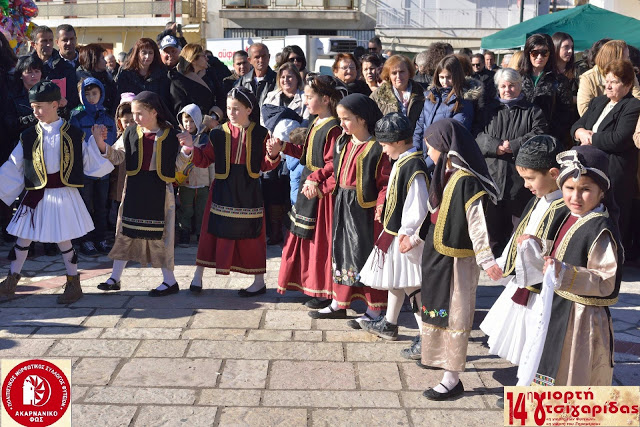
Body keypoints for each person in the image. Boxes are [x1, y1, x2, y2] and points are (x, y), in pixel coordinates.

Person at [0, 81, 114, 303]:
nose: (36, 112)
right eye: (33, 107)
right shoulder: (28, 136)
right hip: (35, 193)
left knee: (64, 240)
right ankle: (11, 280)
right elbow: (14, 165)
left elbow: (90, 162)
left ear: (55, 104)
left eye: (40, 107)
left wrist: (100, 144)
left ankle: (73, 283)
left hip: (62, 194)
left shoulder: (73, 133)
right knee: (23, 238)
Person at [416, 119, 502, 400]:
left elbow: (476, 222)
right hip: (438, 257)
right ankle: (441, 362)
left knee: (456, 314)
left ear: (443, 146)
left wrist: (486, 259)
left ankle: (452, 379)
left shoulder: (466, 181)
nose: (428, 153)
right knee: (438, 310)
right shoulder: (449, 175)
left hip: (458, 260)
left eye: (431, 147)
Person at [535, 145, 622, 386]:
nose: (575, 197)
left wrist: (565, 272)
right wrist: (536, 246)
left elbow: (605, 281)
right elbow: (557, 249)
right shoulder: (566, 214)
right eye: (569, 188)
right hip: (558, 306)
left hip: (582, 318)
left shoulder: (600, 230)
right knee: (550, 362)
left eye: (585, 190)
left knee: (573, 369)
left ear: (602, 192)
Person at [479, 135, 565, 370]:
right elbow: (522, 231)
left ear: (553, 173)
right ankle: (526, 378)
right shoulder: (538, 199)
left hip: (544, 287)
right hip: (526, 281)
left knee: (541, 336)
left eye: (530, 178)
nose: (526, 184)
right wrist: (502, 261)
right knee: (526, 334)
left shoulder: (565, 208)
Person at [184, 87, 279, 296]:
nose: (231, 113)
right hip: (222, 189)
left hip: (249, 190)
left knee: (252, 235)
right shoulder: (218, 133)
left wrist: (272, 155)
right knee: (211, 232)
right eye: (229, 108)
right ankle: (197, 276)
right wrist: (191, 148)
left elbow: (265, 165)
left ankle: (259, 281)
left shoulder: (261, 133)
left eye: (236, 109)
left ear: (248, 109)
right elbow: (204, 158)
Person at [308, 94, 390, 329]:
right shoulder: (343, 142)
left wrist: (381, 205)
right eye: (340, 118)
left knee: (366, 258)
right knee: (342, 254)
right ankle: (339, 302)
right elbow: (337, 174)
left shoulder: (377, 147)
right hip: (343, 205)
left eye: (346, 119)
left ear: (362, 119)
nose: (341, 124)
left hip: (365, 212)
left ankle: (375, 310)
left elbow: (384, 182)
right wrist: (320, 187)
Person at [95, 91, 187, 296]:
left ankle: (170, 281)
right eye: (133, 113)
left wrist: (188, 149)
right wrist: (101, 144)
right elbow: (118, 157)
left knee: (160, 236)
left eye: (139, 113)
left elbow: (178, 165)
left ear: (154, 112)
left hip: (159, 191)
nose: (135, 118)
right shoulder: (130, 133)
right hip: (135, 188)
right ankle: (115, 278)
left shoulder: (169, 134)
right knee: (125, 232)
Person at [271, 75, 345, 309]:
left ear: (325, 99)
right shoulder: (315, 122)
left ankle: (325, 291)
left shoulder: (333, 127)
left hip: (321, 195)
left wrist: (317, 179)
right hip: (308, 187)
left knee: (320, 242)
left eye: (309, 97)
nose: (305, 101)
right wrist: (283, 147)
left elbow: (333, 162)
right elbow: (307, 155)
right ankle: (311, 286)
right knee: (304, 237)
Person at [359, 113, 429, 341]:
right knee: (397, 280)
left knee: (412, 287)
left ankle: (426, 336)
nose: (382, 148)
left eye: (385, 143)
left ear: (398, 142)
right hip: (396, 232)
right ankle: (389, 323)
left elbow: (418, 205)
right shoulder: (403, 162)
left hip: (405, 236)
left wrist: (409, 235)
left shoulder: (414, 167)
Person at [572, 59, 640, 259]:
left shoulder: (632, 106)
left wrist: (590, 137)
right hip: (589, 167)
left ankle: (613, 259)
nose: (608, 86)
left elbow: (618, 139)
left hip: (615, 170)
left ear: (627, 85)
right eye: (606, 81)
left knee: (613, 215)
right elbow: (576, 125)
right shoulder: (598, 101)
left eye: (614, 82)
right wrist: (580, 132)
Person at [476, 68, 548, 256]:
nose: (508, 90)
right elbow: (477, 135)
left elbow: (539, 134)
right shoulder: (487, 111)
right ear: (498, 88)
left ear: (519, 86)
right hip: (493, 174)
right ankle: (494, 256)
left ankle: (514, 257)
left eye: (512, 85)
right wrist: (495, 146)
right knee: (492, 220)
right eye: (503, 86)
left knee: (519, 220)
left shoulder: (532, 111)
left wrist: (514, 145)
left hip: (520, 176)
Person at [70, 77, 118, 256]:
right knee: (85, 205)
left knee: (101, 206)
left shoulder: (106, 117)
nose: (91, 97)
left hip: (103, 171)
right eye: (87, 94)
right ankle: (85, 239)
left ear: (101, 94)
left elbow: (111, 141)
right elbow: (74, 141)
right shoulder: (77, 117)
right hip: (84, 171)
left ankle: (100, 237)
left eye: (95, 93)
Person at [413, 54, 482, 159]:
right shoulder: (430, 97)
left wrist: (427, 164)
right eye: (441, 77)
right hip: (424, 156)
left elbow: (452, 138)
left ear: (457, 76)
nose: (444, 82)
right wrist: (415, 155)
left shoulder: (463, 101)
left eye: (449, 77)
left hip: (443, 162)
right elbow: (419, 127)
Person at [519, 33, 572, 141]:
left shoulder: (560, 80)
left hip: (548, 140)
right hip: (518, 139)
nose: (539, 57)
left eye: (544, 53)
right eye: (535, 53)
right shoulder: (517, 79)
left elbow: (565, 116)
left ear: (550, 54)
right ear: (528, 53)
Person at [175, 104, 214, 246]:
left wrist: (212, 181)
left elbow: (211, 163)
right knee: (186, 210)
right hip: (186, 183)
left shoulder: (205, 139)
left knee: (202, 211)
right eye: (185, 121)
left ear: (197, 121)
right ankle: (184, 233)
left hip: (203, 183)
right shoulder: (180, 139)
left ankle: (201, 235)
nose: (188, 124)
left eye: (192, 121)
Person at [577, 40, 640, 117]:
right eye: (626, 57)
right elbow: (584, 110)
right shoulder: (588, 78)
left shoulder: (629, 73)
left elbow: (637, 100)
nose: (629, 61)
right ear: (615, 58)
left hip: (627, 120)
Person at [30, 26, 80, 110]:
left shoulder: (65, 67)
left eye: (50, 40)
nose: (49, 44)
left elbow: (73, 98)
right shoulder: (26, 67)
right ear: (34, 44)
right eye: (44, 41)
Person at [370, 54, 425, 129]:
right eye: (394, 73)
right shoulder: (377, 96)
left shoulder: (422, 92)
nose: (398, 76)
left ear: (409, 72)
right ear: (388, 75)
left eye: (402, 72)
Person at [169, 43, 220, 122]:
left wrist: (215, 115)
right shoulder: (177, 81)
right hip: (191, 128)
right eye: (204, 56)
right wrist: (205, 120)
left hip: (213, 122)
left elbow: (220, 95)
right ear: (193, 60)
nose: (207, 59)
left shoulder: (210, 74)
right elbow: (180, 110)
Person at [114, 38, 171, 108]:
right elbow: (118, 98)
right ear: (137, 54)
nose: (147, 56)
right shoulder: (125, 73)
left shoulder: (162, 73)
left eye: (150, 53)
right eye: (144, 53)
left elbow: (164, 100)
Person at [108, 93, 135, 231]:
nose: (130, 124)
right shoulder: (120, 138)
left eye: (133, 120)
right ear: (119, 122)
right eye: (126, 121)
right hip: (121, 179)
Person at [76, 44, 118, 116]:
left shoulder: (106, 76)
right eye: (102, 58)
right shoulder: (82, 79)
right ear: (93, 60)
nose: (105, 62)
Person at [235, 43, 277, 111]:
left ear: (269, 57)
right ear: (249, 60)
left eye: (264, 56)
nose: (261, 60)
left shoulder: (279, 80)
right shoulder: (241, 83)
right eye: (257, 57)